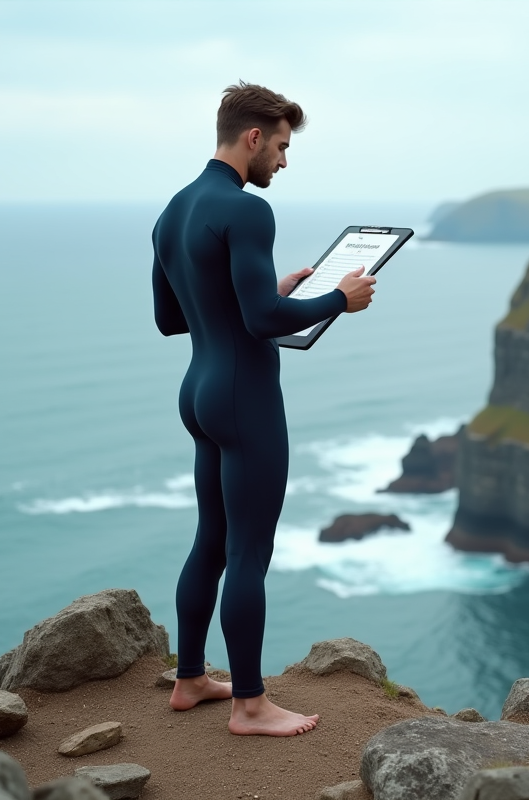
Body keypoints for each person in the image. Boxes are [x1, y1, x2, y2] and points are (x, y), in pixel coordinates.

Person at [150, 82, 377, 736]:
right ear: (252, 138)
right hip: (245, 399)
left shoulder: (174, 209)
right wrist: (340, 298)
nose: (283, 161)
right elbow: (263, 320)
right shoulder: (246, 212)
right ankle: (250, 705)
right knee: (249, 552)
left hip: (198, 391)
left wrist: (263, 294)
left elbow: (172, 318)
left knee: (212, 541)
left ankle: (190, 678)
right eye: (280, 146)